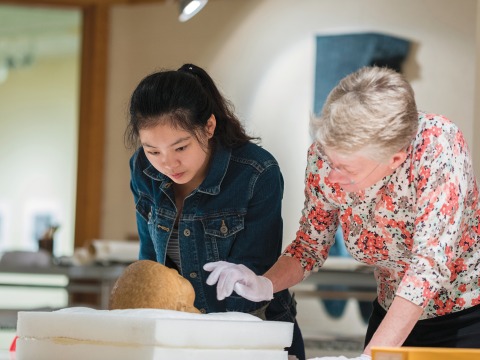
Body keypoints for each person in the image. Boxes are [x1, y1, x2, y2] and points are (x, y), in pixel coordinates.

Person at [204, 66, 480, 359]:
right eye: (329, 160)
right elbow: (310, 246)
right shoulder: (324, 158)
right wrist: (265, 282)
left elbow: (427, 266)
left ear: (394, 159)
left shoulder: (436, 146)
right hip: (390, 311)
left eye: (345, 169)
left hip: (464, 316)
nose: (330, 177)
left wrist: (369, 356)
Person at [125, 63, 305, 359]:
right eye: (153, 151)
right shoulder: (142, 169)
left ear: (208, 127)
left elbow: (253, 273)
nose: (168, 164)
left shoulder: (256, 172)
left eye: (180, 148)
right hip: (179, 335)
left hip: (252, 331)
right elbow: (150, 266)